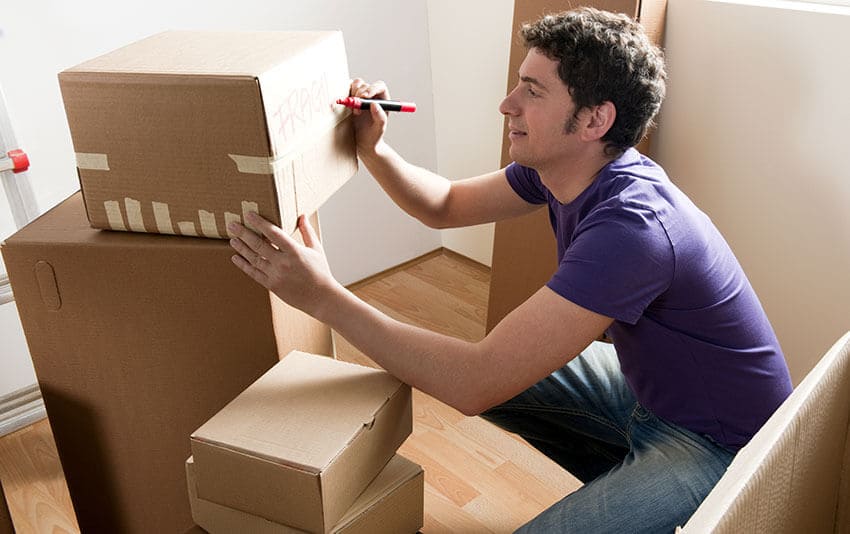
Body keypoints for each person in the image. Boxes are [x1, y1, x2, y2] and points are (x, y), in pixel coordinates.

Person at [227, 7, 792, 533]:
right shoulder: (563, 168)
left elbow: (473, 384)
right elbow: (443, 203)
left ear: (595, 120)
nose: (507, 104)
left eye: (532, 90)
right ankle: (633, 487)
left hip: (724, 445)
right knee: (462, 361)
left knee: (475, 373)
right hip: (649, 393)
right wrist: (375, 149)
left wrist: (322, 296)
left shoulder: (634, 228)